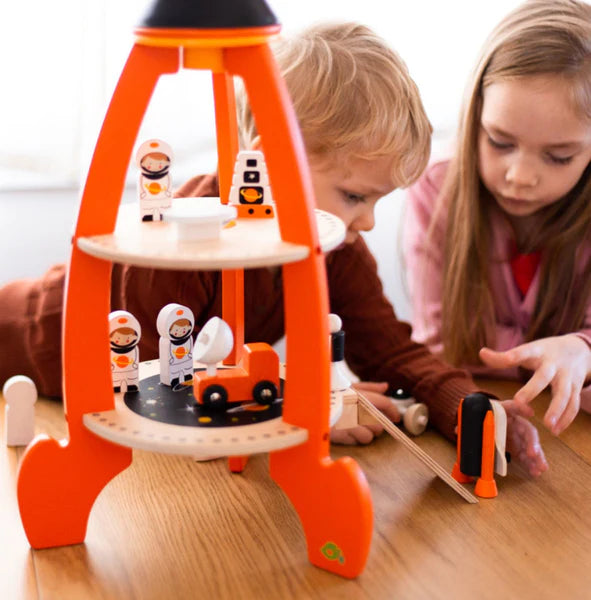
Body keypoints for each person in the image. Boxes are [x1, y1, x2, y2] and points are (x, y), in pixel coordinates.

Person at [0, 22, 546, 475]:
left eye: (377, 200)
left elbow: (391, 351)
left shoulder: (335, 248)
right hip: (29, 335)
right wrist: (306, 408)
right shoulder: (183, 241)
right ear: (268, 165)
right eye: (355, 196)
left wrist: (469, 408)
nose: (369, 222)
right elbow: (153, 390)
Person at [403, 0, 591, 440]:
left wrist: (580, 350)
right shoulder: (435, 189)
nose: (520, 176)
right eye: (500, 142)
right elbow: (440, 343)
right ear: (476, 115)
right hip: (471, 413)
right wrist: (563, 357)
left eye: (559, 156)